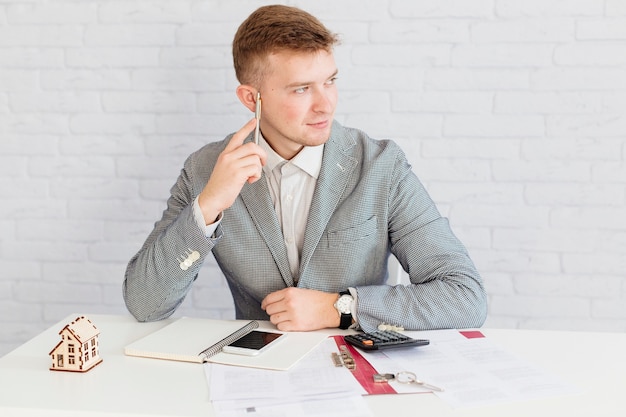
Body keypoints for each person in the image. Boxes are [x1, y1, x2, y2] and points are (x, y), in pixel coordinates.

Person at [123, 4, 487, 333]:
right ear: (252, 98)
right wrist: (208, 206)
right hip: (257, 380)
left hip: (360, 375)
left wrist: (340, 308)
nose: (325, 105)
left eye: (330, 81)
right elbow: (144, 305)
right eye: (301, 90)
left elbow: (464, 296)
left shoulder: (381, 166)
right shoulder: (205, 170)